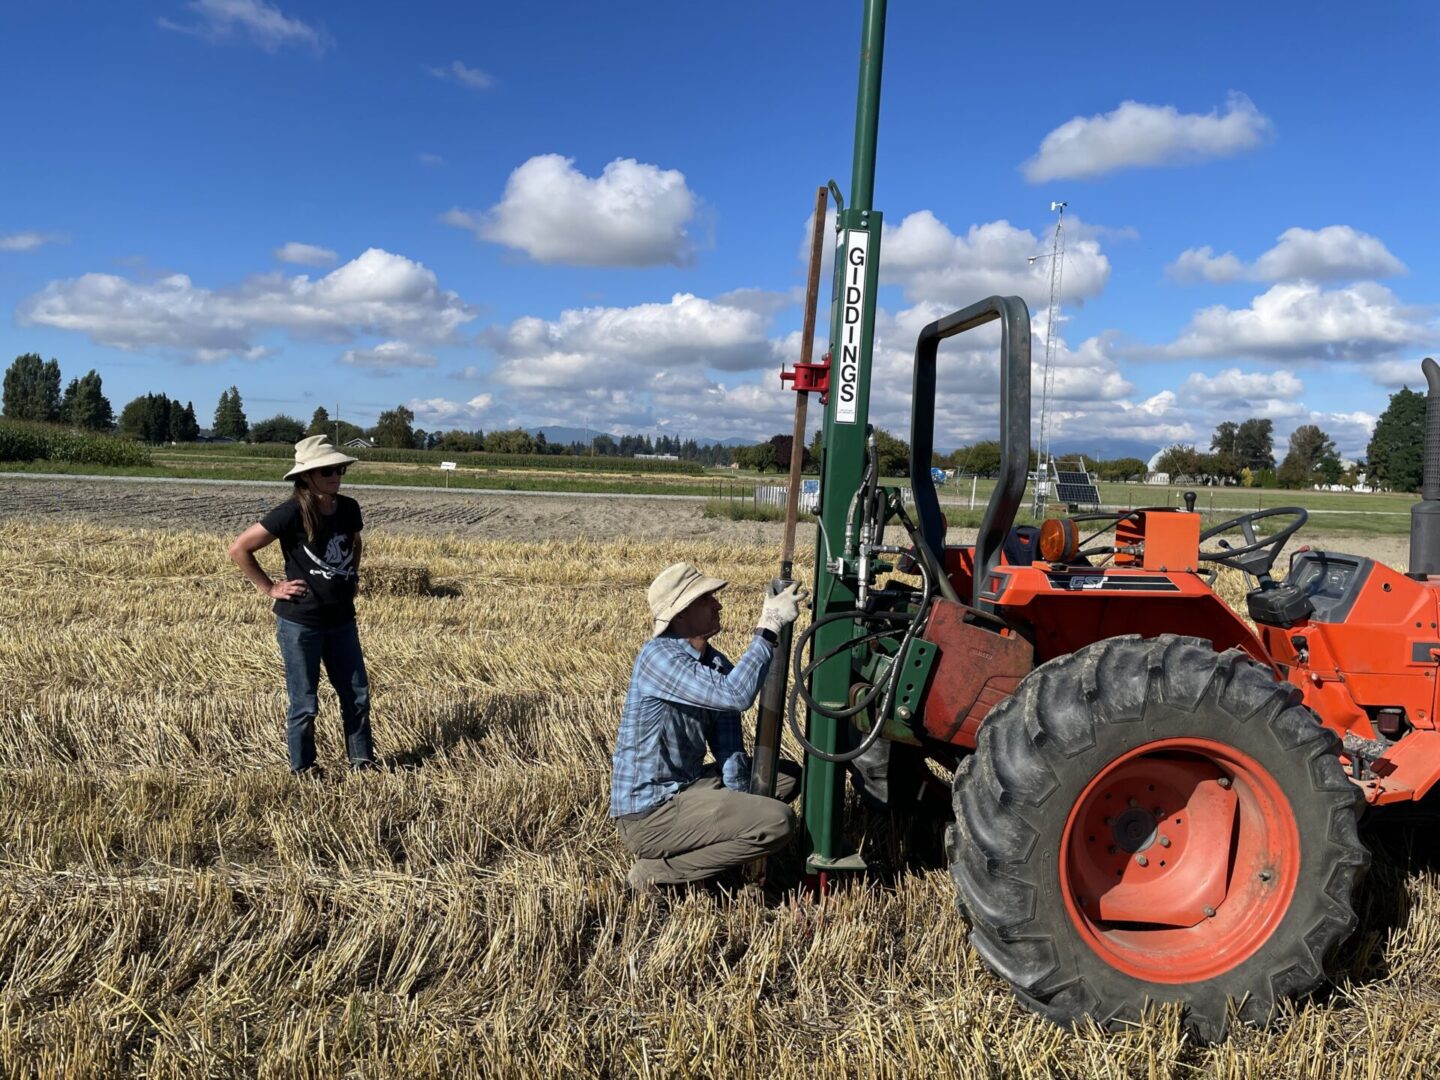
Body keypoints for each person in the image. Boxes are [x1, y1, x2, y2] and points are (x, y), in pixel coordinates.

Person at [610, 561, 808, 889]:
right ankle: (656, 872)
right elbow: (736, 695)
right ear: (681, 614)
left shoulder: (714, 663)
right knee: (778, 822)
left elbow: (730, 751)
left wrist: (745, 800)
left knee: (785, 777)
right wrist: (768, 626)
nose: (718, 604)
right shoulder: (658, 658)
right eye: (707, 599)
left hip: (687, 789)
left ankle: (722, 853)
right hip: (651, 813)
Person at [228, 435, 376, 775]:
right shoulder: (290, 513)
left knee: (356, 696)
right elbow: (239, 549)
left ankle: (363, 763)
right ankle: (304, 769)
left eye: (339, 469)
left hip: (341, 620)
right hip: (301, 623)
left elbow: (355, 543)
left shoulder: (349, 508)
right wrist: (270, 588)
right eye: (327, 471)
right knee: (305, 704)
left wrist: (351, 574)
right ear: (307, 476)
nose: (335, 476)